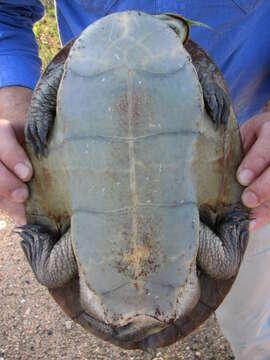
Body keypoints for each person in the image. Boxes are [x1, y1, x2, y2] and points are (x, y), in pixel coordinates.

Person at [0, 1, 270, 359]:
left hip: (255, 147)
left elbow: (51, 269)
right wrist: (14, 108)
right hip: (229, 165)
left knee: (253, 323)